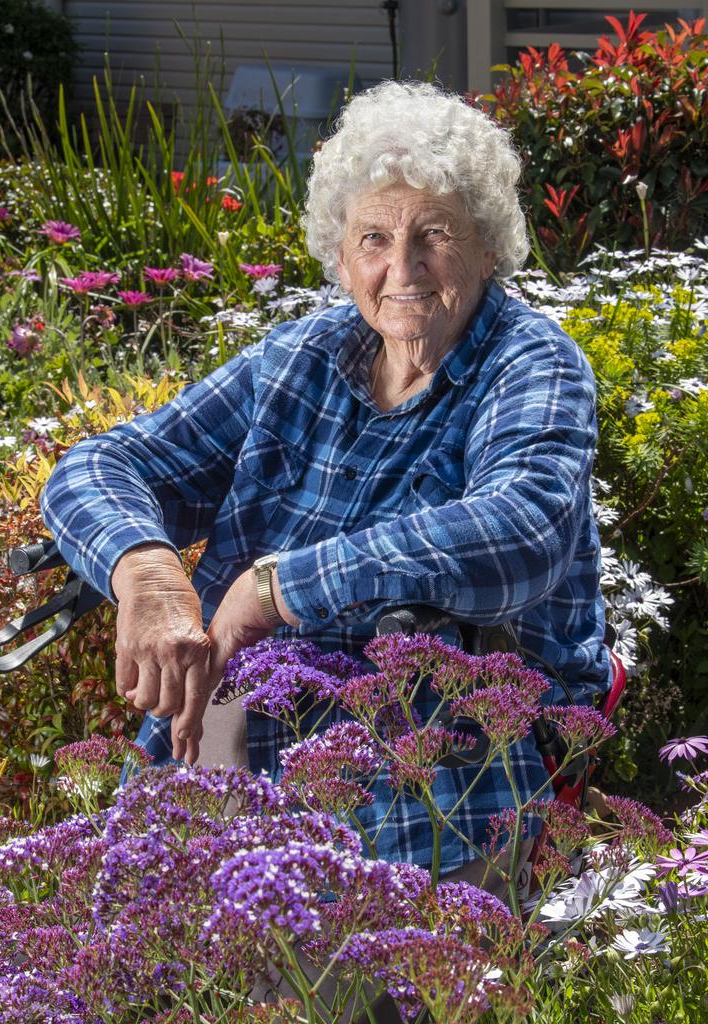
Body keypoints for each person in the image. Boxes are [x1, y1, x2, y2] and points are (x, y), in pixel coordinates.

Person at [40, 80, 610, 887]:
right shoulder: (307, 355)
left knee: (365, 998)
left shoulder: (531, 364)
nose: (401, 268)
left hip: (431, 767)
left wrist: (280, 587)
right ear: (340, 258)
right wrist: (145, 570)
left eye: (434, 234)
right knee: (147, 968)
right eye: (373, 237)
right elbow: (103, 465)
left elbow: (522, 530)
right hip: (234, 735)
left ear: (488, 247)